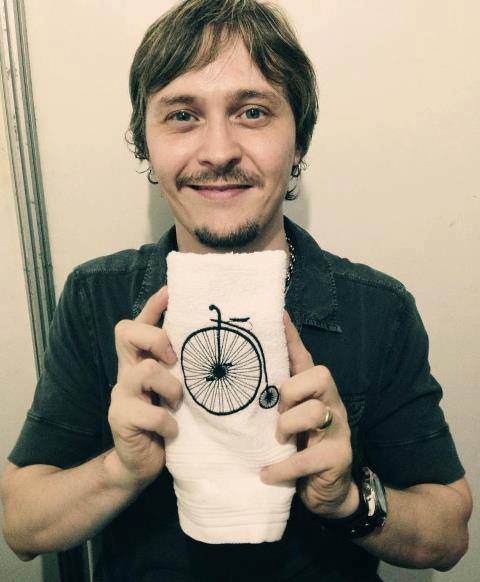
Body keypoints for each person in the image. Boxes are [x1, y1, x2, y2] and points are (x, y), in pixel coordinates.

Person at [1, 1, 473, 580]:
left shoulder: (377, 309)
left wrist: (348, 498)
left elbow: (448, 536)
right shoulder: (96, 298)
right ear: (145, 143)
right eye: (182, 115)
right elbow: (22, 526)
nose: (219, 151)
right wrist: (121, 470)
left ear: (299, 140)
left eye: (253, 112)